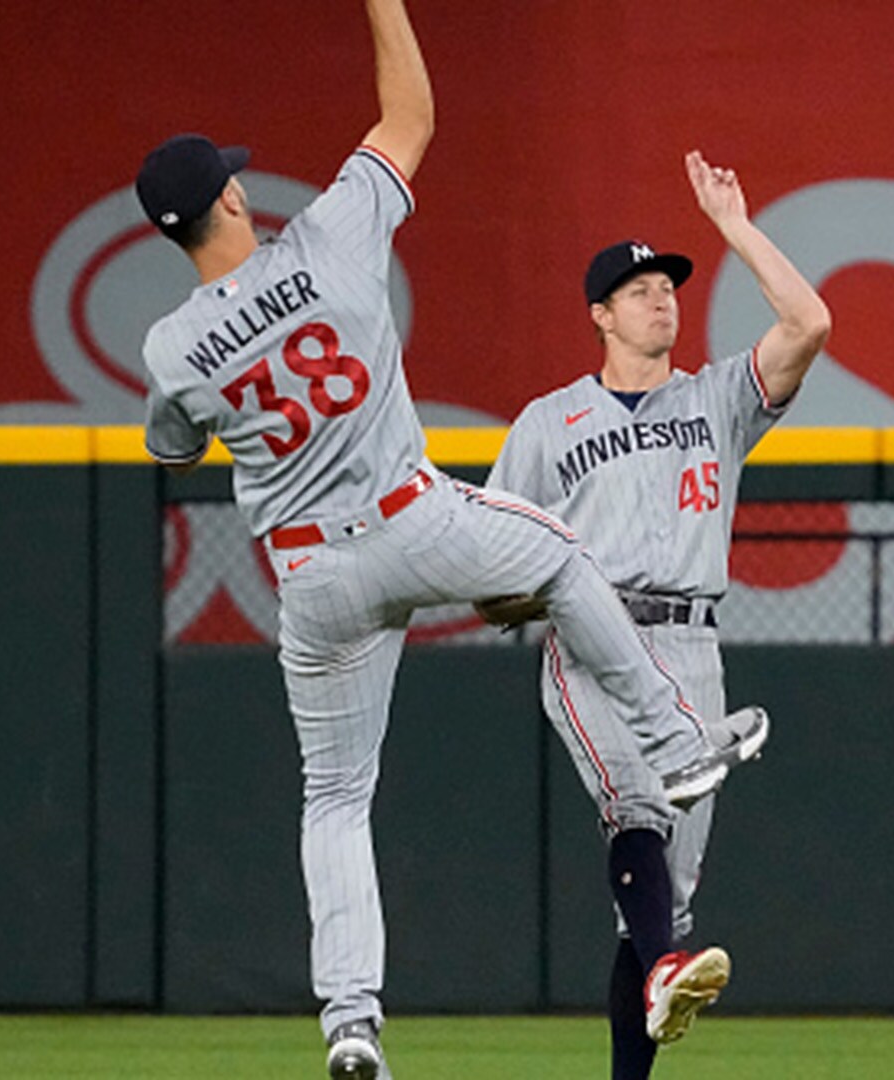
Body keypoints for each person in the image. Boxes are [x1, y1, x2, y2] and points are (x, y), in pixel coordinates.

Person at [133, 4, 743, 1077]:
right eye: (234, 180)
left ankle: (352, 1021)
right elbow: (410, 114)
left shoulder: (171, 345)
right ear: (231, 198)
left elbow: (173, 448)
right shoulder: (329, 232)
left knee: (333, 797)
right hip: (412, 520)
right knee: (561, 554)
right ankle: (679, 742)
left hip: (311, 576)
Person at [483, 151, 829, 1079]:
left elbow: (811, 322)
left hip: (693, 647)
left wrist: (735, 229)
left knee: (661, 912)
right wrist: (557, 591)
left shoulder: (716, 400)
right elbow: (490, 582)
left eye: (666, 287)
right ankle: (668, 966)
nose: (659, 301)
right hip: (594, 644)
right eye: (636, 290)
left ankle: (655, 992)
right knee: (634, 805)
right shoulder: (547, 424)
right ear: (599, 314)